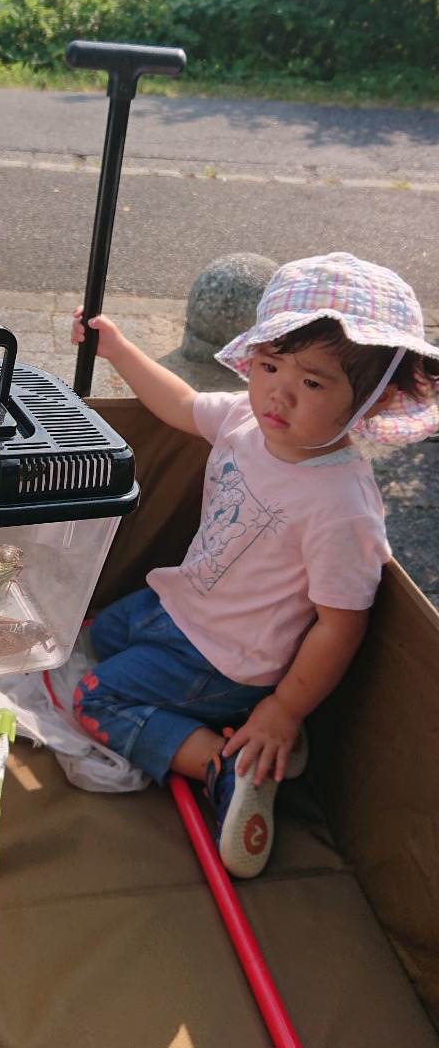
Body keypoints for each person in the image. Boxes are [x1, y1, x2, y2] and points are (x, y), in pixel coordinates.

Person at [70, 253, 439, 879]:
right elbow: (181, 405)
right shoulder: (247, 418)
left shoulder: (340, 506)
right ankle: (255, 738)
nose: (279, 392)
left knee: (93, 699)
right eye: (268, 366)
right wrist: (118, 350)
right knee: (103, 634)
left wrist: (284, 709)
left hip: (228, 660)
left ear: (372, 404)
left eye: (314, 383)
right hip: (180, 606)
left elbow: (339, 625)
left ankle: (228, 762)